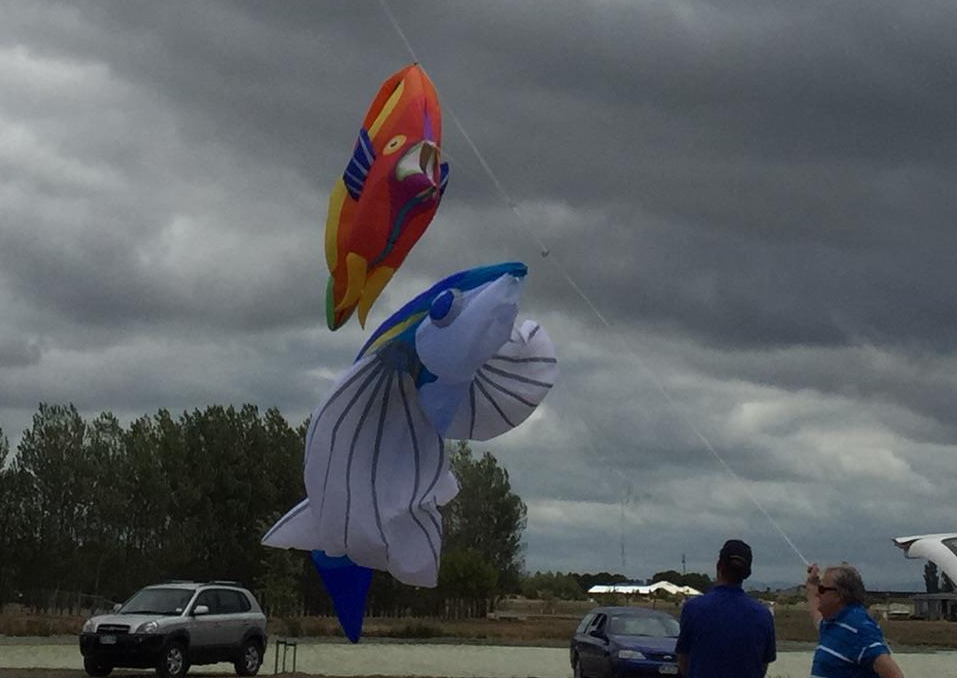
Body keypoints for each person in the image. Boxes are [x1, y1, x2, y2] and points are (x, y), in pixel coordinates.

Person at [676, 539, 776, 678]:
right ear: (747, 573)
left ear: (719, 565)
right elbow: (762, 666)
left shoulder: (693, 608)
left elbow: (683, 660)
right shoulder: (763, 616)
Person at [805, 563, 906, 678]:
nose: (818, 593)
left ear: (839, 595)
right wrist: (811, 586)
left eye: (822, 589)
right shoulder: (833, 623)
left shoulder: (859, 628)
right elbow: (817, 616)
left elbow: (894, 675)